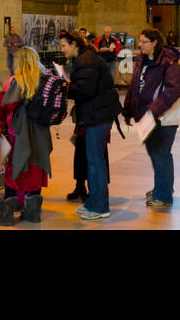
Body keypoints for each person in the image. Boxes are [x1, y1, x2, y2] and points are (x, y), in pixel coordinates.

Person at [0, 46, 53, 225]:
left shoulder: (16, 81)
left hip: (19, 131)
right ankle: (33, 213)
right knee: (36, 167)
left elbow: (5, 106)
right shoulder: (44, 80)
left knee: (15, 168)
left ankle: (7, 216)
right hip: (41, 132)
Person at [60, 30, 120, 220]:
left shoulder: (85, 60)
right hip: (96, 113)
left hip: (98, 114)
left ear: (74, 44)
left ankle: (100, 207)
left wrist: (65, 88)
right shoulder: (83, 59)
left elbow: (85, 90)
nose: (62, 49)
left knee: (95, 162)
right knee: (94, 160)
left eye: (63, 45)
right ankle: (94, 202)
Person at [122, 28, 180, 209]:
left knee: (160, 153)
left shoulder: (169, 62)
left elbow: (173, 91)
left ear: (154, 42)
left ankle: (163, 195)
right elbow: (135, 86)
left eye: (143, 42)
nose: (139, 45)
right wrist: (128, 110)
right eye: (140, 42)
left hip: (164, 117)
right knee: (155, 153)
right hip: (146, 116)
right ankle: (162, 187)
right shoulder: (141, 61)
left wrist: (153, 111)